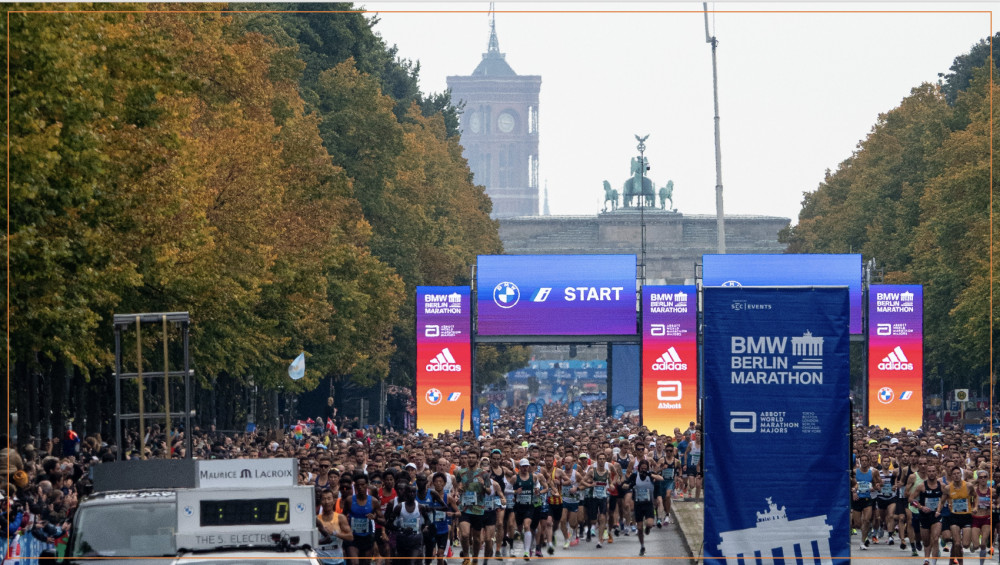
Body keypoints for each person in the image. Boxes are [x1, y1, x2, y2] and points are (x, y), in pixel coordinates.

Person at [620, 459, 662, 556]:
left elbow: (661, 478)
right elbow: (625, 484)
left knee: (650, 523)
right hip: (638, 504)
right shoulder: (635, 476)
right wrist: (628, 485)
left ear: (647, 468)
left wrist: (650, 474)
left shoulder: (650, 475)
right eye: (642, 469)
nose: (643, 470)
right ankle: (642, 546)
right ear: (638, 468)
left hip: (648, 504)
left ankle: (647, 528)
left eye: (645, 468)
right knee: (639, 528)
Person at [388, 483, 432, 565]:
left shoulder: (420, 507)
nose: (412, 494)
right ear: (405, 493)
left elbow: (428, 520)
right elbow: (389, 524)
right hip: (402, 540)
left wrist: (426, 526)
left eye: (413, 492)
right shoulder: (399, 507)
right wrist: (400, 529)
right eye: (409, 492)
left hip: (416, 540)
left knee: (411, 562)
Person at [346, 472, 383, 565]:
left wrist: (375, 518)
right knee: (354, 562)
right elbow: (342, 516)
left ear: (367, 485)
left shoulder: (373, 501)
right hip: (353, 537)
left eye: (362, 485)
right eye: (358, 485)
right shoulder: (349, 500)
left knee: (365, 563)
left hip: (367, 537)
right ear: (355, 486)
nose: (360, 487)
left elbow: (383, 520)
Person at [911, 464, 944, 565]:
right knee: (926, 541)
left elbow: (946, 499)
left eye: (933, 471)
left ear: (936, 472)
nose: (931, 473)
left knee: (935, 538)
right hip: (924, 516)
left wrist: (939, 509)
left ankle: (932, 562)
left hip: (936, 516)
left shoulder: (941, 486)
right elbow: (911, 500)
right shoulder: (921, 486)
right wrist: (921, 507)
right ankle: (926, 558)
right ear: (926, 473)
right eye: (929, 471)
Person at [943, 466, 975, 565]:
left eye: (958, 473)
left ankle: (953, 559)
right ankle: (959, 562)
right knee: (956, 543)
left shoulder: (969, 486)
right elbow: (942, 501)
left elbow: (975, 497)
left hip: (966, 516)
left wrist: (975, 507)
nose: (956, 475)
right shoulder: (948, 488)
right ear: (951, 476)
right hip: (954, 516)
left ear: (961, 475)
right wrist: (941, 508)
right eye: (954, 474)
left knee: (965, 544)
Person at [317, 488, 354, 565]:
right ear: (321, 502)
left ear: (334, 501)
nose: (326, 502)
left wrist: (334, 533)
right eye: (324, 499)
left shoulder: (340, 518)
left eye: (329, 498)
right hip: (320, 561)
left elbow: (350, 537)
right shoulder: (316, 519)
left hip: (337, 561)